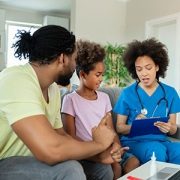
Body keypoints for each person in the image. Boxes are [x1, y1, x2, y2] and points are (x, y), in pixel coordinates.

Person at [0, 25, 116, 180]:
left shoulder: (53, 89)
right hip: (4, 162)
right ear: (62, 58)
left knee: (101, 170)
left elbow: (62, 138)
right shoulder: (16, 79)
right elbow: (51, 150)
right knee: (70, 170)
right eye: (74, 59)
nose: (75, 65)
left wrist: (99, 157)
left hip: (33, 161)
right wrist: (100, 144)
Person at [61, 40, 140, 180]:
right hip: (87, 153)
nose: (101, 79)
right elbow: (70, 138)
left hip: (108, 148)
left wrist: (116, 147)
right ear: (83, 75)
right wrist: (103, 155)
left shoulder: (104, 98)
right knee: (108, 172)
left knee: (133, 162)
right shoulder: (70, 100)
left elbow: (111, 131)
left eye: (102, 74)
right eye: (98, 75)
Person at [114, 38, 180, 165]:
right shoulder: (127, 93)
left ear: (157, 67)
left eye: (148, 68)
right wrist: (135, 125)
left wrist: (169, 127)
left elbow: (173, 129)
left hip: (162, 141)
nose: (143, 73)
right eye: (139, 69)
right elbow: (120, 128)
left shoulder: (170, 93)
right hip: (135, 142)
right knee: (156, 151)